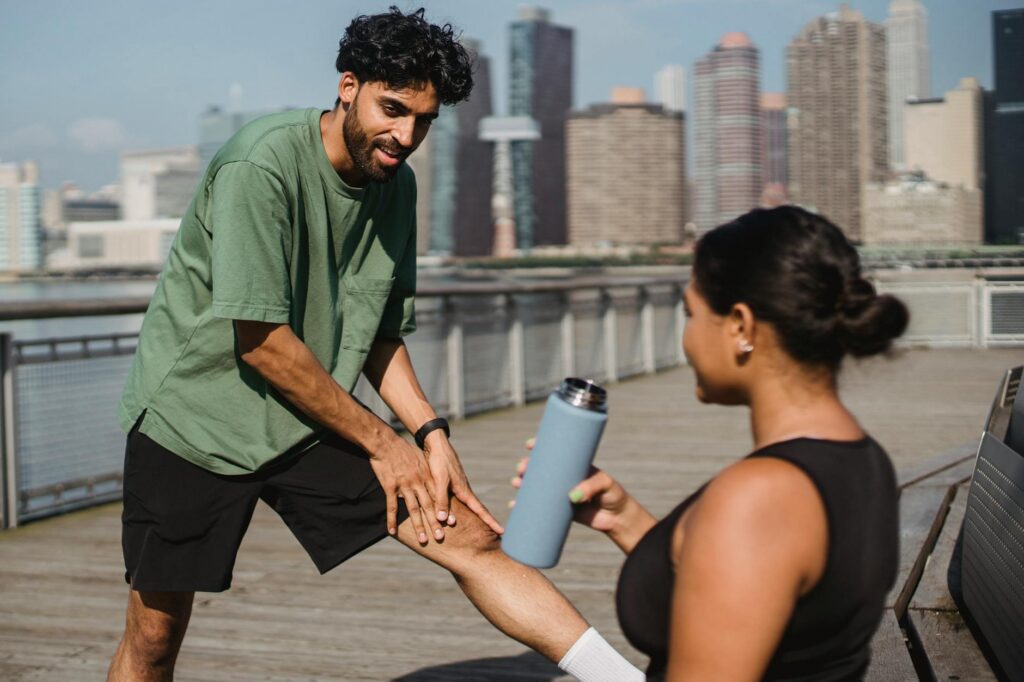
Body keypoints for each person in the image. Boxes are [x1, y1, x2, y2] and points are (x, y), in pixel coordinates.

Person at [108, 7, 642, 681]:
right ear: (348, 86)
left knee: (470, 538)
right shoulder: (261, 164)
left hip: (306, 415)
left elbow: (380, 334)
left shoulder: (396, 186)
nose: (406, 136)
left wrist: (431, 434)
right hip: (194, 422)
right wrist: (388, 445)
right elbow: (263, 344)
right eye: (393, 110)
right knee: (155, 638)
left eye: (424, 120)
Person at [515, 206, 909, 680]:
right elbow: (760, 595)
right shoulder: (866, 459)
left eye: (691, 313)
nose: (687, 336)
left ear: (741, 326)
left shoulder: (758, 499)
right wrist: (626, 520)